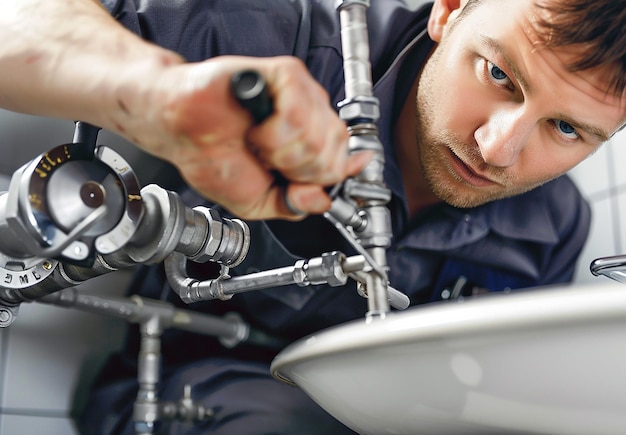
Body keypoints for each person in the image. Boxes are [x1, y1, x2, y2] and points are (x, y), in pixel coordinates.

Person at [0, 0, 624, 433]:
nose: (497, 150)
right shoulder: (288, 50)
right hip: (201, 379)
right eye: (497, 74)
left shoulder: (557, 226)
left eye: (566, 128)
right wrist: (156, 90)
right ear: (449, 9)